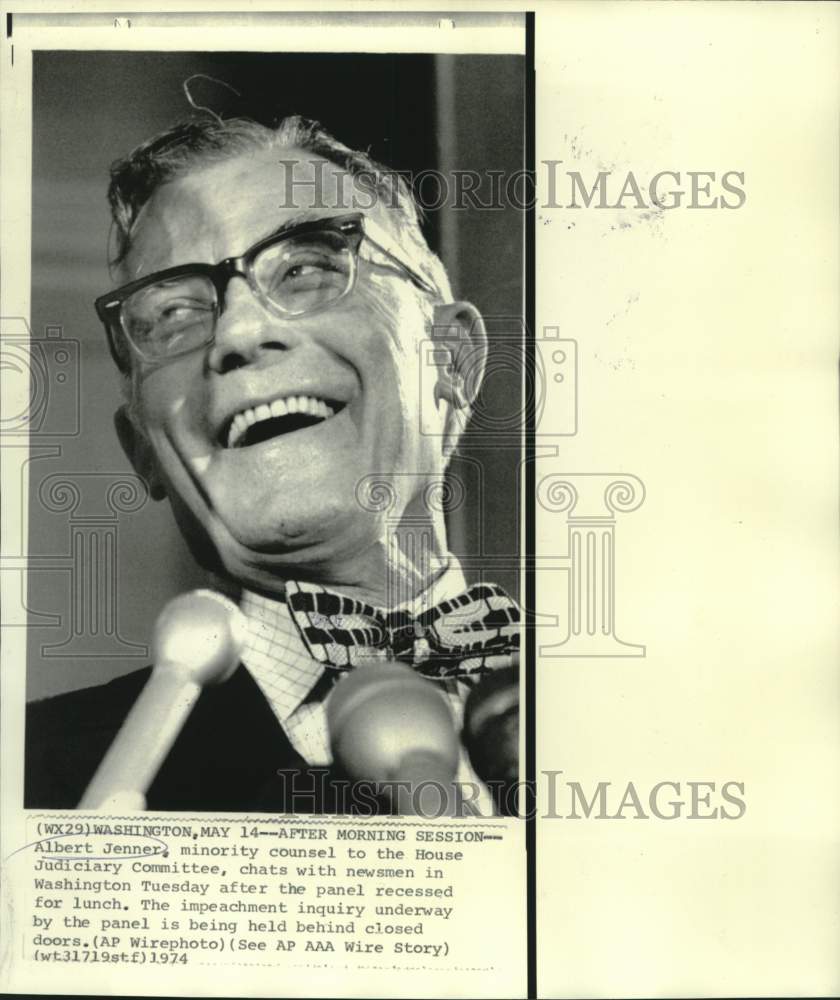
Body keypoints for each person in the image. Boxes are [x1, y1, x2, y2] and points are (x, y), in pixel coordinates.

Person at [24, 114, 519, 814]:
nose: (239, 333)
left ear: (453, 360)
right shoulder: (33, 781)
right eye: (171, 314)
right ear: (144, 453)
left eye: (309, 268)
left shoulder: (666, 719)